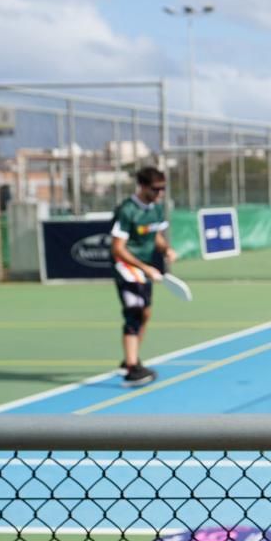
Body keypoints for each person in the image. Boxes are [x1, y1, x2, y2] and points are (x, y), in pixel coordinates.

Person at [109, 166, 174, 387]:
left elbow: (156, 236)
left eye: (163, 188)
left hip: (145, 270)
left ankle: (130, 358)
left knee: (145, 314)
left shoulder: (156, 209)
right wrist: (144, 268)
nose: (160, 193)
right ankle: (131, 369)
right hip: (127, 269)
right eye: (156, 189)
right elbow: (118, 248)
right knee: (134, 314)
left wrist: (166, 250)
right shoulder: (127, 210)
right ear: (143, 186)